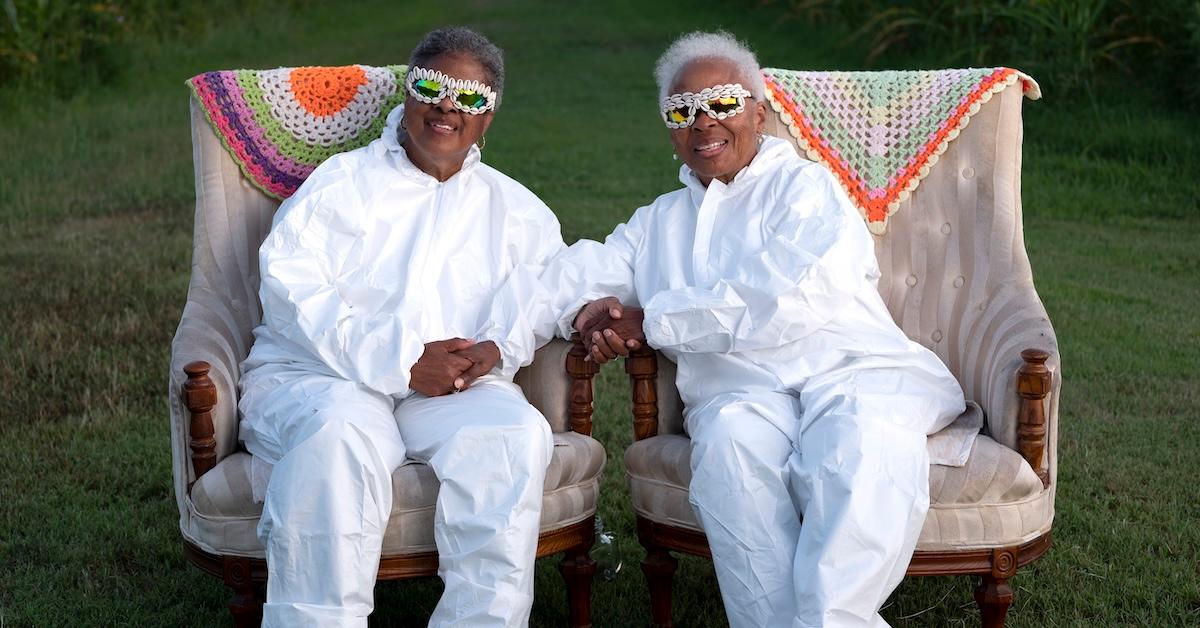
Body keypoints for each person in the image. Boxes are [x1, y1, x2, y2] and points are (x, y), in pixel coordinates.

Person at [541, 31, 969, 627]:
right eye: (683, 110)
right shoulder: (660, 221)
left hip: (850, 371)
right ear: (669, 129)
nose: (702, 122)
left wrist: (656, 320)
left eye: (721, 103)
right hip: (740, 394)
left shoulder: (807, 188)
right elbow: (576, 274)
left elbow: (791, 294)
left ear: (759, 112)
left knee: (860, 445)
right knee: (729, 452)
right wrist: (585, 314)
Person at [237, 27, 564, 627]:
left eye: (470, 97)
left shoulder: (516, 210)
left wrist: (495, 347)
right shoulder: (341, 183)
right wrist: (402, 359)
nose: (447, 105)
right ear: (409, 93)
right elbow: (291, 290)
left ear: (489, 115)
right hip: (322, 376)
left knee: (512, 432)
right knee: (338, 440)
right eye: (433, 86)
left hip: (448, 387)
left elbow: (545, 294)